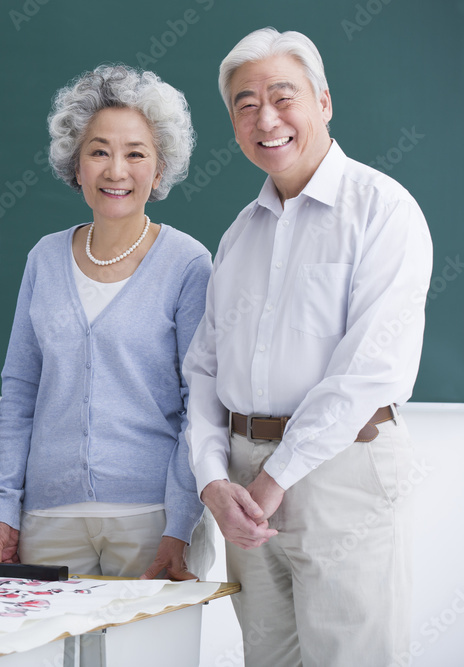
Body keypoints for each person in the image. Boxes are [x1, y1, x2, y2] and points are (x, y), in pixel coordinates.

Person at [183, 28, 432, 666]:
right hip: (243, 482)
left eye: (282, 96)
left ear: (323, 101)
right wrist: (214, 479)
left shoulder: (383, 211)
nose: (265, 118)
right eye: (244, 104)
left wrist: (274, 480)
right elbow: (206, 371)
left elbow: (366, 373)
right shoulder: (240, 233)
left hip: (341, 473)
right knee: (267, 659)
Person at [0, 65, 214, 581]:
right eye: (99, 151)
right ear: (76, 166)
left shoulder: (188, 265)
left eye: (136, 153)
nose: (116, 170)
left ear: (159, 171)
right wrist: (3, 507)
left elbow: (200, 406)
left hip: (153, 519)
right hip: (47, 518)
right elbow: (20, 394)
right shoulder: (44, 258)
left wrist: (182, 521)